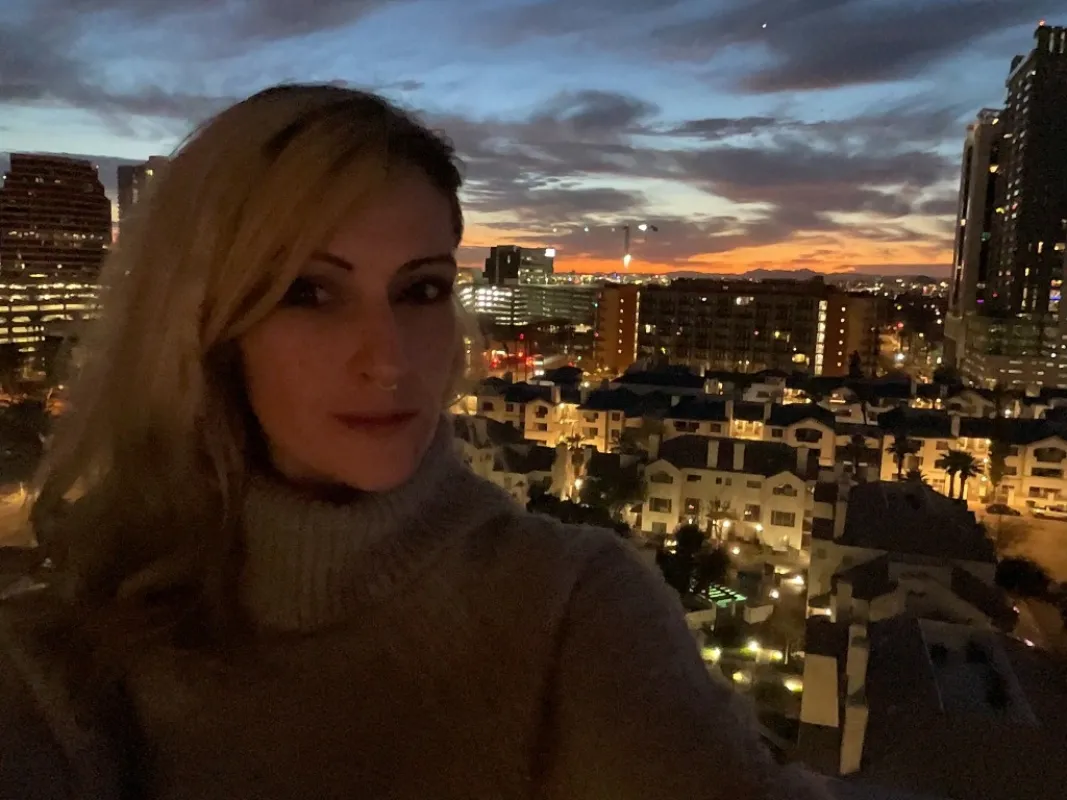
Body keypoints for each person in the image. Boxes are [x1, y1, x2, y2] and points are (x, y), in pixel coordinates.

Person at [0, 84, 830, 799]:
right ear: (206, 327)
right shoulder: (67, 661)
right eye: (309, 292)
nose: (390, 358)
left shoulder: (570, 611)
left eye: (421, 289)